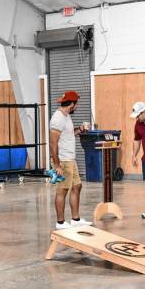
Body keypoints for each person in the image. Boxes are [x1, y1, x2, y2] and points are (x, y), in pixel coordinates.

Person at [49, 91, 92, 230]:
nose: (77, 107)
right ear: (72, 104)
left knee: (77, 186)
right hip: (63, 161)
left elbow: (67, 134)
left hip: (70, 160)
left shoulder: (66, 116)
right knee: (62, 190)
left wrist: (79, 129)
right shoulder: (58, 118)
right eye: (76, 104)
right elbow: (53, 144)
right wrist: (57, 165)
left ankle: (75, 219)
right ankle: (60, 223)